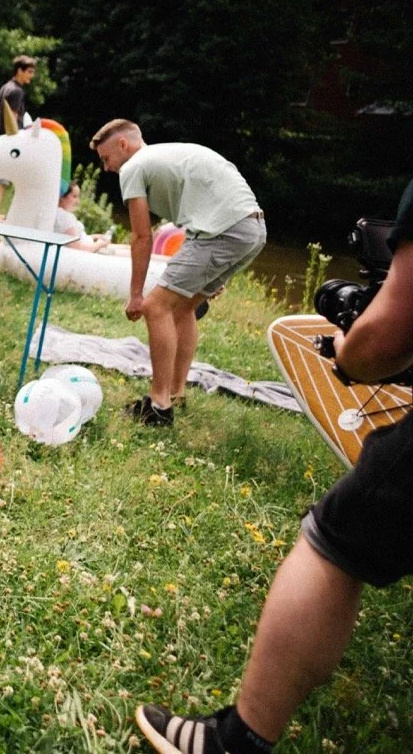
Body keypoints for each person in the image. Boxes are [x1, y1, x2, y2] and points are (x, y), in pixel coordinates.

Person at [136, 180, 413, 754]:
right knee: (176, 302)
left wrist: (348, 350)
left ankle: (238, 739)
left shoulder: (137, 170)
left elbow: (388, 337)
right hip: (240, 227)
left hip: (233, 231)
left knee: (335, 540)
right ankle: (171, 398)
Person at [90, 119, 266, 426]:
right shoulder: (168, 154)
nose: (106, 168)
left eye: (106, 159)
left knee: (155, 306)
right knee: (183, 307)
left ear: (123, 145)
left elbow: (142, 237)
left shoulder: (134, 167)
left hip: (223, 231)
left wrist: (135, 295)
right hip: (252, 228)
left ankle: (158, 407)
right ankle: (175, 392)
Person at [0, 56, 38, 215]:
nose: (31, 75)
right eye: (29, 72)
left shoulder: (5, 87)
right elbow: (13, 120)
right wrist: (16, 142)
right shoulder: (17, 91)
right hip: (8, 142)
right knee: (0, 183)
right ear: (19, 71)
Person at [54, 184, 110, 252]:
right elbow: (78, 248)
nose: (78, 202)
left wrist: (94, 236)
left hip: (91, 245)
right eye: (74, 196)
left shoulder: (60, 214)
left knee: (125, 248)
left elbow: (74, 239)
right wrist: (99, 244)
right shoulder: (64, 217)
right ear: (62, 197)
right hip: (89, 252)